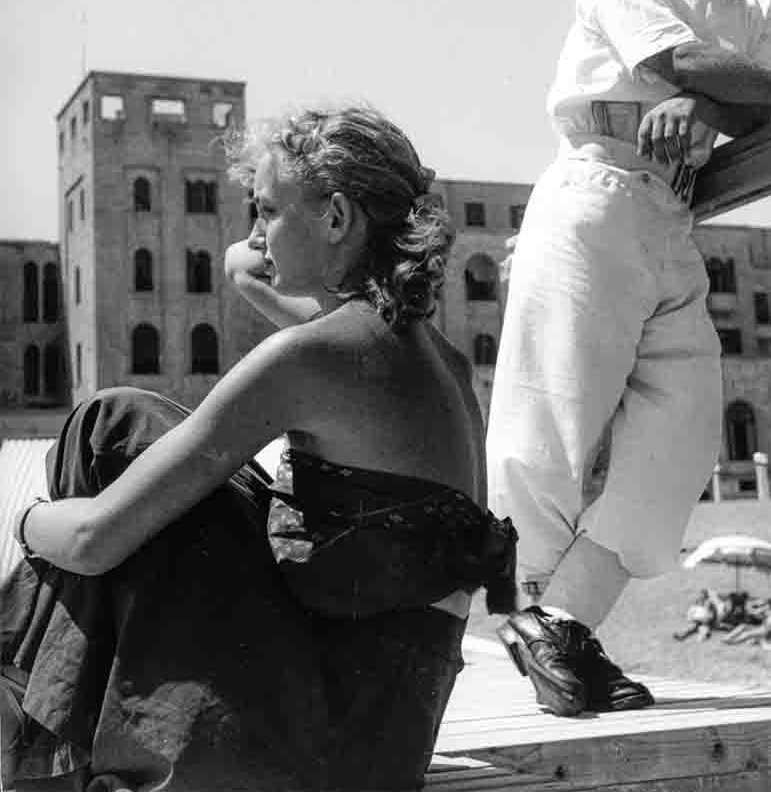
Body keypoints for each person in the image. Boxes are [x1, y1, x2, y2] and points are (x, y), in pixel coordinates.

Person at [1, 105, 517, 792]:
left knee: (109, 427)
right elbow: (279, 290)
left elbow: (93, 540)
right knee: (136, 424)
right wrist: (256, 258)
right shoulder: (433, 357)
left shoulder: (309, 359)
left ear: (336, 217)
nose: (255, 234)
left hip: (314, 751)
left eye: (268, 210)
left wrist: (25, 521)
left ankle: (29, 727)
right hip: (384, 738)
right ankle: (32, 726)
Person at [487, 0, 771, 717]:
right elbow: (682, 55)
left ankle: (559, 626)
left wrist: (705, 108)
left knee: (685, 429)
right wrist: (703, 87)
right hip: (596, 192)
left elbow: (758, 119)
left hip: (677, 215)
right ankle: (538, 624)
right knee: (552, 423)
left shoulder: (760, 16)